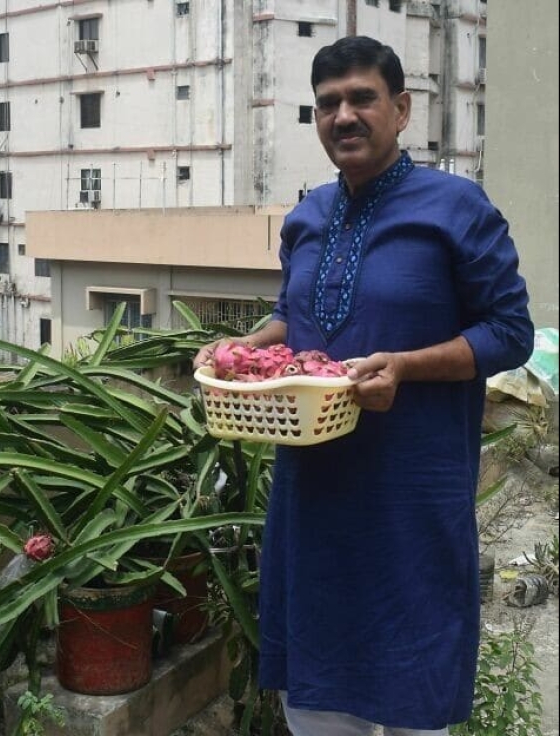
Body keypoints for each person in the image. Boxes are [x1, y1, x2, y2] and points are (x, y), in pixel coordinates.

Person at [194, 36, 533, 735]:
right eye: (326, 104)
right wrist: (249, 345)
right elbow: (296, 314)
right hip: (313, 499)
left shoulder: (456, 208)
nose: (343, 116)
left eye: (361, 99)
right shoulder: (307, 216)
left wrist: (406, 367)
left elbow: (510, 332)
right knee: (315, 702)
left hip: (411, 500)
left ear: (401, 108)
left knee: (416, 696)